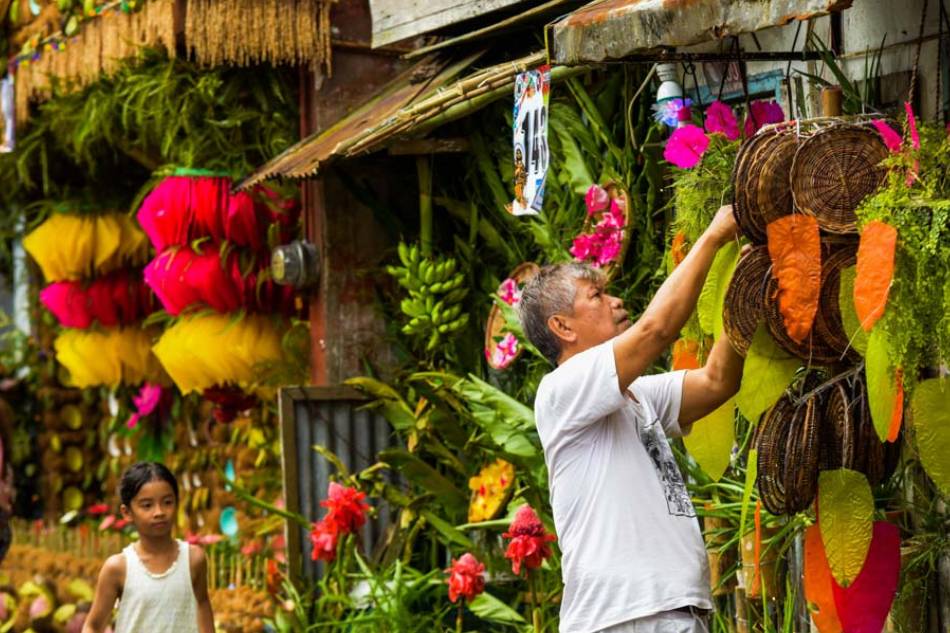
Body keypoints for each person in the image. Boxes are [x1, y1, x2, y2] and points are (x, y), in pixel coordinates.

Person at [518, 205, 744, 633]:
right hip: (626, 618)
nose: (615, 301)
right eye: (597, 296)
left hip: (667, 612)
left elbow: (717, 382)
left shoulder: (637, 396)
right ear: (562, 326)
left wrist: (744, 283)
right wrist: (714, 236)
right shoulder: (561, 390)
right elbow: (655, 331)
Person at [82, 462, 215, 633]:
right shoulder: (118, 568)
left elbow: (202, 604)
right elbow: (93, 625)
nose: (159, 512)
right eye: (147, 505)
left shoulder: (193, 559)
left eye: (167, 502)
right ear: (127, 513)